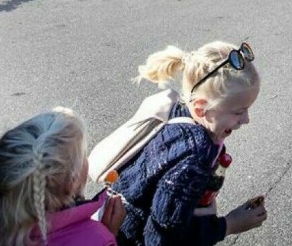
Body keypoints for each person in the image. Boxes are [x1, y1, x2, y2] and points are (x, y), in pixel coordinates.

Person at [113, 41, 268, 245]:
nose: (246, 119)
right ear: (201, 108)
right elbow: (163, 238)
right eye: (239, 111)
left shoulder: (180, 112)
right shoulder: (193, 160)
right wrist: (228, 225)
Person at [0, 107, 125, 245]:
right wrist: (110, 232)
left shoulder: (4, 225)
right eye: (83, 155)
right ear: (72, 182)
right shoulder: (97, 238)